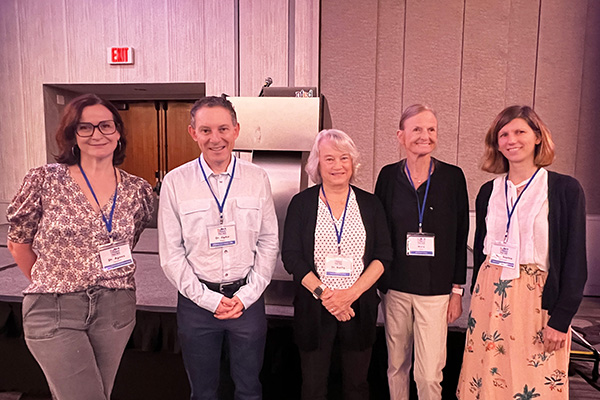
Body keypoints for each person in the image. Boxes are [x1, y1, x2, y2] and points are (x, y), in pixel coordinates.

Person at [6, 94, 154, 400]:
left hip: (116, 307)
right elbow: (18, 243)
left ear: (118, 132)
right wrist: (52, 281)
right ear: (72, 134)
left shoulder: (137, 190)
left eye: (105, 126)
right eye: (85, 127)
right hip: (55, 307)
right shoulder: (45, 179)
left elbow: (129, 240)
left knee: (98, 392)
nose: (97, 134)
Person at [456, 105, 587, 399]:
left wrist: (561, 318)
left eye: (519, 132)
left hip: (537, 300)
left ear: (538, 137)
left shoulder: (564, 189)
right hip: (489, 296)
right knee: (487, 376)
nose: (511, 140)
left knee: (533, 380)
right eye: (503, 134)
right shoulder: (488, 191)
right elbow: (481, 251)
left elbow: (575, 260)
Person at [158, 95, 279, 400]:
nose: (216, 139)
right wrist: (208, 300)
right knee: (203, 392)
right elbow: (171, 254)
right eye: (206, 130)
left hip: (247, 301)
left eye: (223, 129)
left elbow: (268, 241)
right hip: (196, 303)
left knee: (250, 389)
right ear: (193, 133)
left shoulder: (257, 178)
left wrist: (247, 295)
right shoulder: (175, 182)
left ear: (236, 130)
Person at [282, 129, 393, 400]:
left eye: (344, 158)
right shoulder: (301, 204)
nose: (337, 165)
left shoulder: (370, 203)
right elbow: (291, 257)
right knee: (313, 387)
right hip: (314, 307)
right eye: (329, 158)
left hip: (358, 308)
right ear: (316, 164)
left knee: (356, 386)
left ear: (352, 163)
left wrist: (349, 296)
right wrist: (326, 296)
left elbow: (383, 255)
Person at [374, 104, 469, 400]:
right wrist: (379, 282)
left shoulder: (453, 177)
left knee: (428, 375)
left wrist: (457, 290)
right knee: (396, 366)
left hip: (437, 292)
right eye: (417, 129)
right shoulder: (388, 176)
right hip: (396, 289)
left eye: (431, 129)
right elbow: (379, 233)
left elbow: (460, 236)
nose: (424, 136)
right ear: (401, 136)